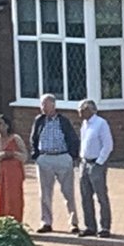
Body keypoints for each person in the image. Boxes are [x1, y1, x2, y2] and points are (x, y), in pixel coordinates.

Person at [29, 93, 81, 234]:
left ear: (53, 105)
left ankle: (73, 223)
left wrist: (72, 157)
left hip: (62, 157)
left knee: (68, 192)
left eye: (45, 104)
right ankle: (46, 222)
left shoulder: (63, 121)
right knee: (45, 193)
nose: (43, 108)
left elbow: (73, 138)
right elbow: (33, 138)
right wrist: (36, 155)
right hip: (45, 158)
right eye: (41, 105)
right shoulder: (39, 120)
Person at [77, 99, 114, 238]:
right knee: (85, 196)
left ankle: (105, 227)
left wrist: (99, 162)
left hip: (96, 164)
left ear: (90, 110)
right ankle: (89, 226)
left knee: (101, 196)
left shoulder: (101, 123)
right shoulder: (84, 124)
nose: (79, 112)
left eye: (81, 109)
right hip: (84, 163)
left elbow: (108, 145)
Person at [0, 114, 28, 223]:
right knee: (0, 200)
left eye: (0, 123)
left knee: (14, 200)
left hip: (14, 176)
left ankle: (16, 223)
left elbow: (24, 156)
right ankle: (0, 224)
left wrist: (13, 154)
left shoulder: (16, 138)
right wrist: (2, 155)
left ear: (7, 125)